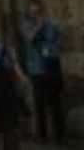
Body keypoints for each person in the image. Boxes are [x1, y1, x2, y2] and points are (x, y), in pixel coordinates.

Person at [21, 9, 63, 146]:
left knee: (55, 102)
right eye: (33, 12)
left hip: (51, 66)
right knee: (39, 103)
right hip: (37, 69)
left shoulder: (50, 26)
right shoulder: (27, 25)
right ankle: (42, 135)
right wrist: (39, 25)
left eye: (38, 12)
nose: (36, 15)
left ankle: (59, 135)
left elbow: (56, 41)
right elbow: (30, 37)